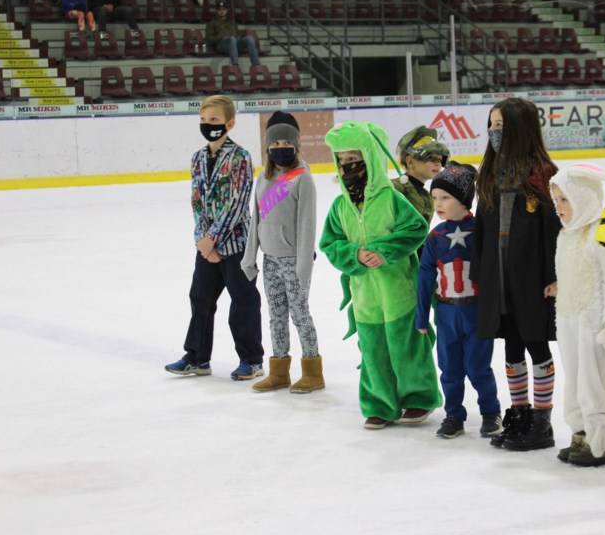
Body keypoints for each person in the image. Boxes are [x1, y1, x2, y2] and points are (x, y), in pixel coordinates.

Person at [319, 120, 442, 430]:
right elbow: (329, 243)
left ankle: (418, 397)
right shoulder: (339, 207)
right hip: (364, 295)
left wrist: (384, 250)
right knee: (373, 349)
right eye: (343, 159)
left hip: (398, 288)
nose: (349, 165)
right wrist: (354, 255)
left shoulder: (391, 198)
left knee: (407, 345)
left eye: (355, 157)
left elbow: (415, 229)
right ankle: (379, 403)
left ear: (370, 157)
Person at [470, 97, 560, 452]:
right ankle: (520, 412)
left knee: (536, 344)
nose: (494, 132)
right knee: (510, 348)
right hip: (499, 279)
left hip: (532, 279)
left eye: (501, 126)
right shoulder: (490, 174)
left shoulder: (543, 174)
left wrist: (555, 275)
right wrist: (480, 274)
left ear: (520, 129)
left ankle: (542, 420)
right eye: (491, 126)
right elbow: (481, 227)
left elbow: (555, 230)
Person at [165, 95, 264, 381]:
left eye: (215, 121)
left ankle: (251, 359)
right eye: (204, 121)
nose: (208, 126)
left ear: (229, 123)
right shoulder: (197, 158)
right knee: (201, 298)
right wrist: (202, 240)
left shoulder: (240, 157)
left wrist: (214, 241)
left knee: (242, 300)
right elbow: (196, 201)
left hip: (235, 245)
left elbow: (237, 202)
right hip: (206, 245)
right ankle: (197, 357)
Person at [549, 163, 605, 467]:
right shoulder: (566, 235)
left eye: (565, 199)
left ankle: (603, 441)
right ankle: (581, 433)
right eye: (556, 200)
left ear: (584, 198)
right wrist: (560, 286)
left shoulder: (603, 235)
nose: (558, 207)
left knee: (595, 383)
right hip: (570, 318)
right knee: (574, 382)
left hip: (595, 323)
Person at [415, 161, 502, 439]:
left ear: (464, 200)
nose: (438, 204)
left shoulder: (482, 230)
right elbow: (425, 277)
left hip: (476, 312)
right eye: (435, 198)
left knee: (478, 368)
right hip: (447, 314)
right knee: (449, 369)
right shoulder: (435, 236)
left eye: (445, 198)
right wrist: (421, 316)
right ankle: (454, 415)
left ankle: (491, 412)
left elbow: (496, 271)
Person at [242, 111, 325, 395]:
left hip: (294, 260)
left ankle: (313, 372)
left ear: (297, 145)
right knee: (276, 315)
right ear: (267, 148)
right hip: (270, 260)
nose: (280, 148)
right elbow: (256, 219)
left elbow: (306, 225)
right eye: (274, 145)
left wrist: (304, 266)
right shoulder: (263, 179)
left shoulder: (302, 178)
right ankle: (279, 371)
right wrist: (249, 256)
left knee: (300, 314)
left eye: (285, 143)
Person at [394, 125, 450, 226]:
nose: (438, 164)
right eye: (431, 158)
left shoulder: (427, 198)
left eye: (440, 159)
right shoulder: (394, 189)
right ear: (410, 162)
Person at [205, 0, 260, 67]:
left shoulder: (232, 22)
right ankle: (235, 65)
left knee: (249, 38)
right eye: (220, 10)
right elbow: (208, 38)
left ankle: (256, 65)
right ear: (216, 11)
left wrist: (239, 37)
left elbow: (238, 33)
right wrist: (219, 38)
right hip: (221, 44)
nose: (222, 11)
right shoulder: (211, 23)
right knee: (232, 39)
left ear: (227, 10)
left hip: (235, 42)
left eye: (223, 9)